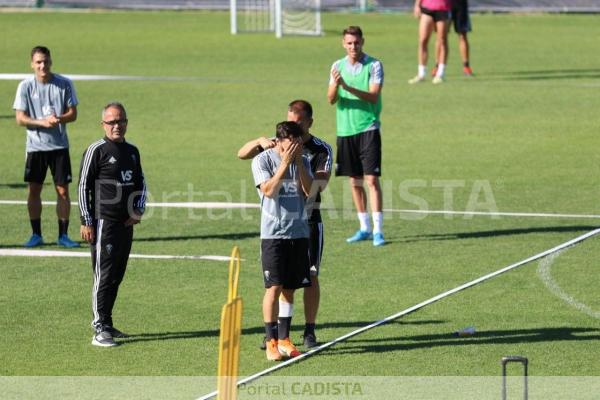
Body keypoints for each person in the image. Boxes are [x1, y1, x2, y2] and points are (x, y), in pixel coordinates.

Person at [238, 100, 332, 349]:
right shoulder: (282, 140)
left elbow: (317, 187)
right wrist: (259, 141)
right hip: (278, 224)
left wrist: (298, 163)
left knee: (310, 275)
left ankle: (309, 331)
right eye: (291, 119)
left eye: (299, 122)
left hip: (308, 220)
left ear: (309, 122)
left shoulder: (320, 149)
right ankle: (278, 334)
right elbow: (242, 153)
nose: (294, 125)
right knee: (279, 282)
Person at [78, 102, 147, 347]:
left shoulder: (132, 151)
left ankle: (107, 322)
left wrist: (138, 210)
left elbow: (142, 182)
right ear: (103, 124)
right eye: (112, 122)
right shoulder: (96, 150)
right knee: (104, 274)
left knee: (117, 274)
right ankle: (99, 329)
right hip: (103, 222)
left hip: (125, 223)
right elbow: (82, 187)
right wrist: (86, 221)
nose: (117, 126)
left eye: (121, 121)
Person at [251, 121, 313, 361]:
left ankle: (286, 339)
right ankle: (271, 341)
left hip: (298, 232)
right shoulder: (263, 160)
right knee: (273, 288)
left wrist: (297, 163)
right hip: (273, 233)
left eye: (299, 143)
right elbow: (268, 190)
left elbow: (310, 192)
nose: (296, 147)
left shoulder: (303, 161)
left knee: (289, 289)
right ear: (280, 141)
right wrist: (285, 165)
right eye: (292, 143)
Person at [13, 45, 80, 248]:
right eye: (39, 62)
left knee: (63, 191)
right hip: (35, 148)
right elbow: (20, 118)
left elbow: (73, 114)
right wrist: (43, 122)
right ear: (32, 64)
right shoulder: (25, 86)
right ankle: (36, 234)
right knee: (34, 190)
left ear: (51, 61)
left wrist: (58, 118)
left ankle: (63, 235)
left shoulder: (64, 84)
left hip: (59, 146)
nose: (43, 65)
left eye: (46, 61)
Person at [327, 26, 385, 247]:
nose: (353, 47)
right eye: (349, 43)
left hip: (368, 128)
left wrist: (346, 86)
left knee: (371, 179)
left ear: (363, 42)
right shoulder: (336, 66)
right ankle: (364, 228)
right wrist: (336, 86)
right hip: (345, 130)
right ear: (343, 43)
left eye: (357, 43)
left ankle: (378, 230)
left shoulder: (374, 65)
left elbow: (372, 96)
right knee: (354, 181)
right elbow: (331, 99)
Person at [408, 0, 452, 84]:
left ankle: (440, 73)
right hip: (427, 7)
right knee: (422, 40)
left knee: (442, 40)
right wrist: (417, 5)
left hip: (443, 8)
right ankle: (421, 74)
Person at [431, 0, 473, 77]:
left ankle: (466, 66)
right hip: (444, 4)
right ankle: (437, 66)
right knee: (440, 37)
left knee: (462, 35)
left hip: (460, 5)